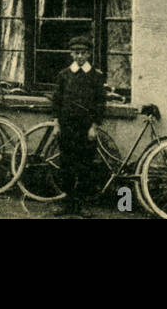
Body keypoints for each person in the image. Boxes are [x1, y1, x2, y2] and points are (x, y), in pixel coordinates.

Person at [51, 35, 107, 217]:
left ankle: (82, 204)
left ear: (89, 54)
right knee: (66, 165)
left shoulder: (96, 76)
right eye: (76, 53)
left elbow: (100, 104)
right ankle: (67, 202)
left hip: (86, 128)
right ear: (71, 54)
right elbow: (57, 102)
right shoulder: (64, 75)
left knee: (85, 166)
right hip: (67, 126)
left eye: (83, 53)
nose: (79, 56)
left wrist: (94, 126)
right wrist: (56, 124)